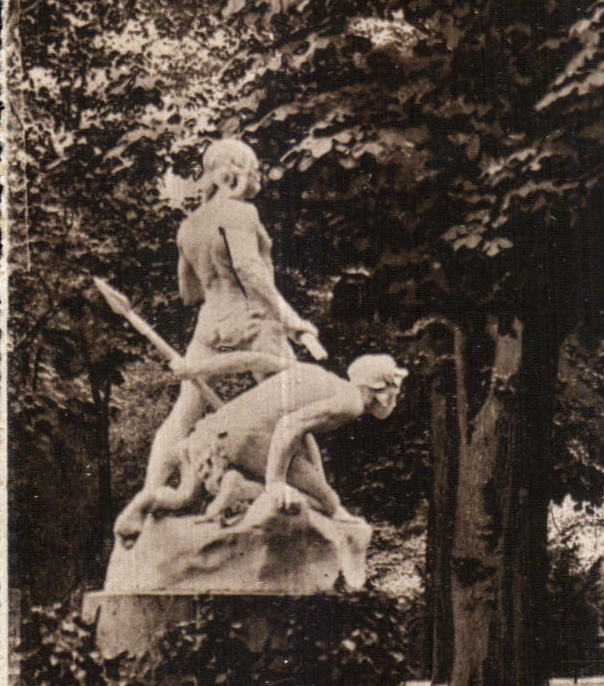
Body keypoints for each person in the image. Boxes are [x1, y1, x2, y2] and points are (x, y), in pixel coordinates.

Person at [117, 138, 324, 539]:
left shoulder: (189, 225)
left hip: (211, 322)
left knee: (182, 415)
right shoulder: (241, 213)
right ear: (233, 171)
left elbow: (188, 294)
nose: (258, 175)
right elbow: (249, 269)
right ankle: (325, 505)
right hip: (254, 321)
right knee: (296, 405)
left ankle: (148, 497)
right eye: (253, 167)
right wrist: (293, 319)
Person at [130, 353, 406, 526]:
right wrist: (276, 482)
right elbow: (290, 426)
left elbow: (253, 360)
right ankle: (240, 488)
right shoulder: (351, 402)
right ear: (380, 389)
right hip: (250, 438)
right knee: (325, 504)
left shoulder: (313, 374)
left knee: (183, 496)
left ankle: (143, 503)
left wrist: (197, 369)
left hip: (214, 430)